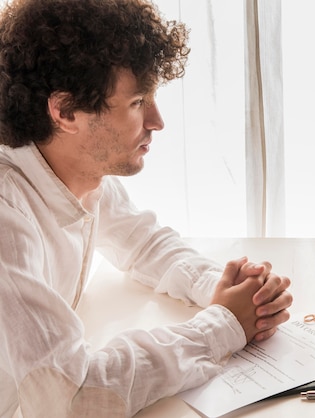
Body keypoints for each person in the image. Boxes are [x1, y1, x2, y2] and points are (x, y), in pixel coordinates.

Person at [0, 0, 292, 417]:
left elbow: (142, 242)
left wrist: (223, 287)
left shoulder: (75, 170)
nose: (157, 120)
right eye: (138, 102)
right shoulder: (6, 219)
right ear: (65, 111)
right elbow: (74, 397)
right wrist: (223, 325)